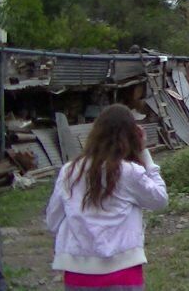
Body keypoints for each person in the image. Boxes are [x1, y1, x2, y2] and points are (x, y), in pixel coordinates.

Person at [46, 104, 168, 291]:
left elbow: (53, 222)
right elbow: (160, 200)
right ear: (131, 136)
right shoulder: (129, 172)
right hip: (124, 271)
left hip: (78, 274)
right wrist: (145, 153)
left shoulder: (69, 171)